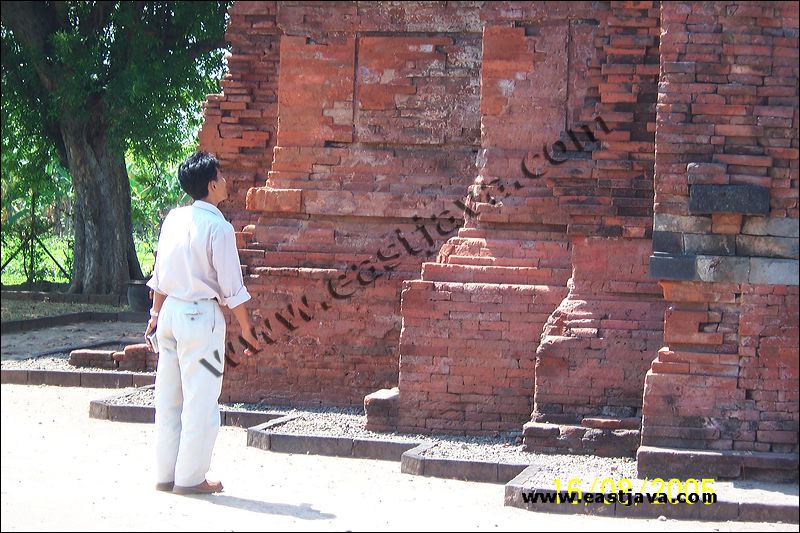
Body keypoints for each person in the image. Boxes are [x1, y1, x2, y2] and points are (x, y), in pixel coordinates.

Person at [144, 151, 262, 495]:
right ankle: (191, 478)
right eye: (221, 176)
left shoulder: (173, 220)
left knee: (168, 399)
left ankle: (166, 474)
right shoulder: (219, 228)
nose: (226, 181)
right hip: (200, 319)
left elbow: (160, 278)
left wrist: (153, 317)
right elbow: (232, 288)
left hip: (169, 316)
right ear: (212, 184)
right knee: (201, 400)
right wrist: (247, 329)